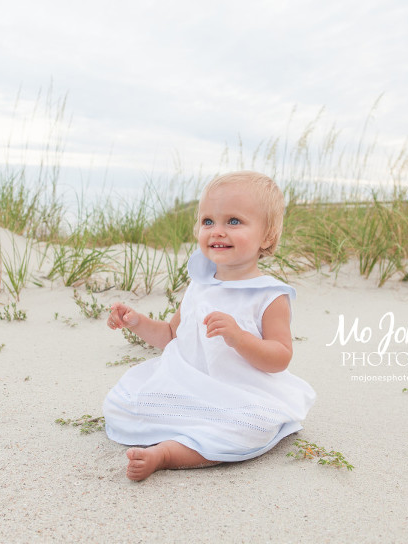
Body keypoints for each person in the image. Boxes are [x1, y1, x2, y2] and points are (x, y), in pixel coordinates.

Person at [103, 171, 316, 481]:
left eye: (233, 221)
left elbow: (280, 358)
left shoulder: (268, 295)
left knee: (248, 428)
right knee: (123, 405)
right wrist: (136, 322)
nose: (217, 231)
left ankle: (167, 454)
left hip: (239, 393)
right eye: (208, 221)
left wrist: (239, 338)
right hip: (187, 383)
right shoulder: (199, 284)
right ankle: (179, 431)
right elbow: (172, 335)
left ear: (267, 236)